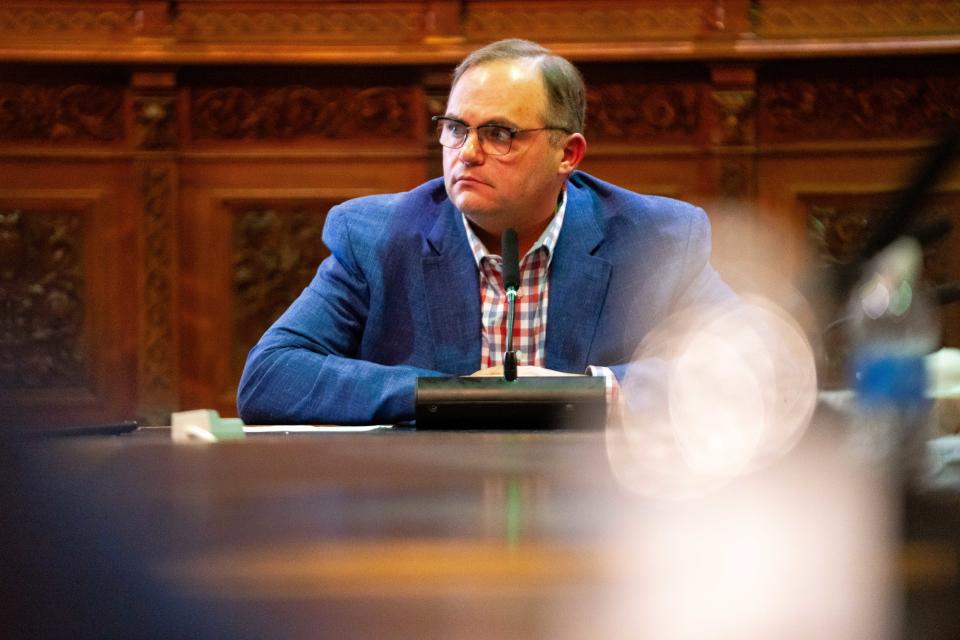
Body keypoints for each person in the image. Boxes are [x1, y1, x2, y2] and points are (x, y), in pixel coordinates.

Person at [237, 39, 733, 425]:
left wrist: (585, 393)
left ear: (569, 154)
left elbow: (746, 369)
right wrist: (455, 394)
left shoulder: (657, 238)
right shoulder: (376, 236)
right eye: (455, 128)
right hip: (427, 511)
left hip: (601, 509)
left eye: (499, 134)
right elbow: (270, 376)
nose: (466, 153)